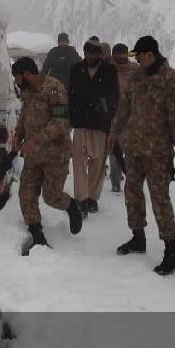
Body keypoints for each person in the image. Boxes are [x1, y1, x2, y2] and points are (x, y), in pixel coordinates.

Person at [109, 35, 175, 276]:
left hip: (157, 153)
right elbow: (124, 108)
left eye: (139, 56)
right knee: (132, 193)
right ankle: (138, 237)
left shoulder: (172, 80)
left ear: (149, 54)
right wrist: (114, 130)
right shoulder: (137, 78)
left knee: (159, 199)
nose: (137, 60)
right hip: (134, 149)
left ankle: (171, 249)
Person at [12, 56, 84, 250]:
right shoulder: (27, 91)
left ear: (27, 74)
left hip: (55, 153)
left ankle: (71, 206)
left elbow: (61, 123)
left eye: (18, 77)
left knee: (51, 196)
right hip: (33, 155)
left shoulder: (54, 88)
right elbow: (25, 116)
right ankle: (37, 233)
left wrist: (36, 139)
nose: (17, 82)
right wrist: (19, 135)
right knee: (26, 193)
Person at [68, 37, 119, 215]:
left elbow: (114, 98)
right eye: (88, 52)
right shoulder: (76, 70)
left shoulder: (109, 71)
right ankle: (81, 199)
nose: (91, 56)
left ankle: (92, 198)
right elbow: (70, 95)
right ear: (84, 53)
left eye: (94, 53)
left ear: (100, 54)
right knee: (79, 164)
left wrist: (111, 119)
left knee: (98, 164)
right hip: (80, 123)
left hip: (100, 124)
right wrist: (70, 118)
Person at [107, 43, 140, 193]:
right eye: (117, 55)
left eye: (123, 55)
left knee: (132, 150)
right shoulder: (107, 69)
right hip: (113, 116)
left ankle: (133, 179)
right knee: (114, 150)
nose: (120, 58)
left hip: (133, 116)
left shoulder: (135, 70)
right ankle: (115, 182)